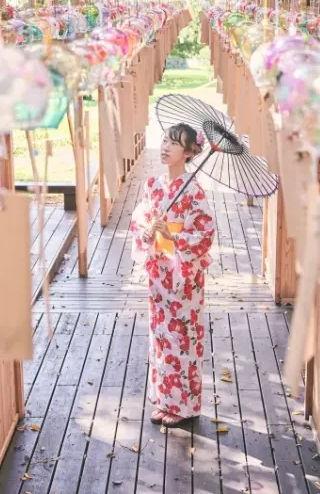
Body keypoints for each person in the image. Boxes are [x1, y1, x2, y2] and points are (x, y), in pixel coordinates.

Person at [129, 123, 216, 427]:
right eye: (165, 139)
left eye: (175, 143)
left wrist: (174, 237)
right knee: (161, 337)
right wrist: (148, 231)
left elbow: (205, 234)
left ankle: (185, 406)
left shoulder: (194, 192)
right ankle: (166, 400)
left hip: (184, 276)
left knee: (184, 339)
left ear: (189, 152)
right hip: (160, 271)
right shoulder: (153, 185)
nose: (166, 146)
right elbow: (139, 218)